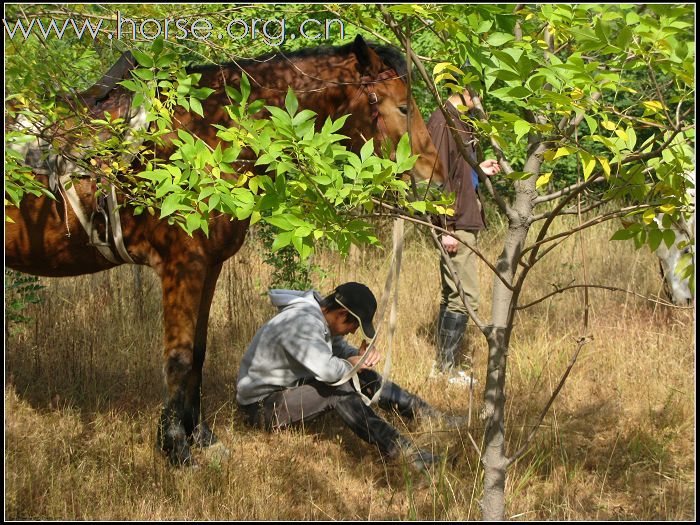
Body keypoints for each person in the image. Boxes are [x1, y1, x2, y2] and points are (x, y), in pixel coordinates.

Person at [236, 282, 466, 471]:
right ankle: (409, 454)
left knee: (364, 375)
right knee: (339, 391)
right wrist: (351, 365)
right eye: (355, 324)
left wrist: (357, 357)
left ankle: (432, 416)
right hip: (262, 407)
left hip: (288, 390)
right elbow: (327, 370)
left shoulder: (322, 318)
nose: (355, 331)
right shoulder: (303, 323)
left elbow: (337, 351)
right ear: (342, 313)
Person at [426, 85, 501, 385]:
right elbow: (434, 176)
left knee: (454, 293)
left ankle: (443, 368)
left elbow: (457, 171)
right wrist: (446, 227)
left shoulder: (460, 121)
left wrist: (478, 169)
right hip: (455, 224)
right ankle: (446, 370)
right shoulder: (442, 120)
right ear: (464, 91)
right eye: (478, 93)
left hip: (465, 218)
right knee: (464, 295)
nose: (481, 100)